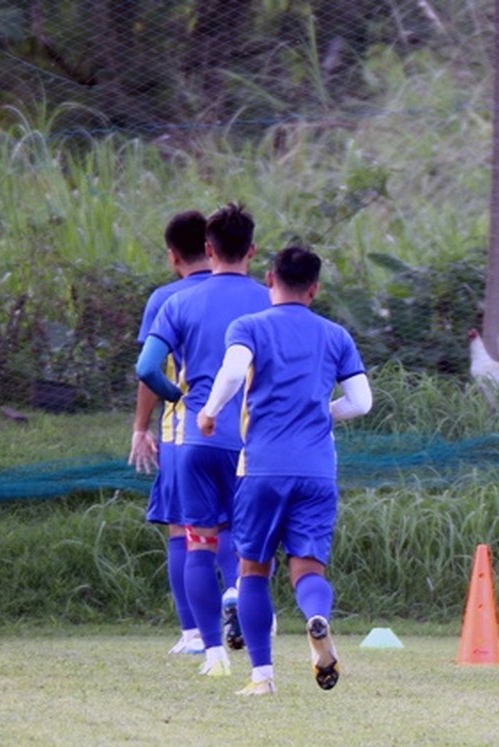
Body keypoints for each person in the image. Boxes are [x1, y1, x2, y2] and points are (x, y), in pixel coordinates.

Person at [198, 245, 372, 696]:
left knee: (252, 570)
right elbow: (362, 402)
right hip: (317, 471)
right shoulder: (336, 335)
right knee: (308, 570)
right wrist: (319, 412)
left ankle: (263, 677)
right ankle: (317, 620)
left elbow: (234, 372)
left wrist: (210, 411)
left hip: (262, 470)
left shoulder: (249, 326)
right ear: (314, 289)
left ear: (270, 278)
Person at [136, 202, 271, 678]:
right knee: (246, 541)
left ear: (207, 249)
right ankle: (242, 603)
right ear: (253, 251)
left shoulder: (176, 302)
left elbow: (146, 368)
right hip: (253, 443)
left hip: (195, 437)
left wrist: (179, 398)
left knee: (196, 539)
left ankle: (209, 650)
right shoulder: (269, 300)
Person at [128, 210, 212, 656]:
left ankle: (195, 632)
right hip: (241, 432)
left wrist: (142, 427)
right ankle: (251, 612)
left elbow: (151, 371)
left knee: (183, 529)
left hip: (184, 431)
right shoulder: (252, 295)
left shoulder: (166, 299)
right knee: (235, 526)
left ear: (172, 255)